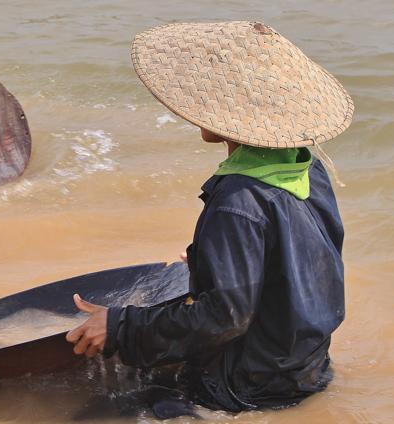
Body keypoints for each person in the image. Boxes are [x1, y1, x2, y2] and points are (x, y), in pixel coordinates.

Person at [66, 21, 354, 413]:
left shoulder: (238, 201)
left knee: (91, 411)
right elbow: (310, 261)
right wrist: (215, 261)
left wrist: (120, 326)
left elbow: (225, 319)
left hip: (245, 389)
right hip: (305, 369)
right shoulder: (308, 168)